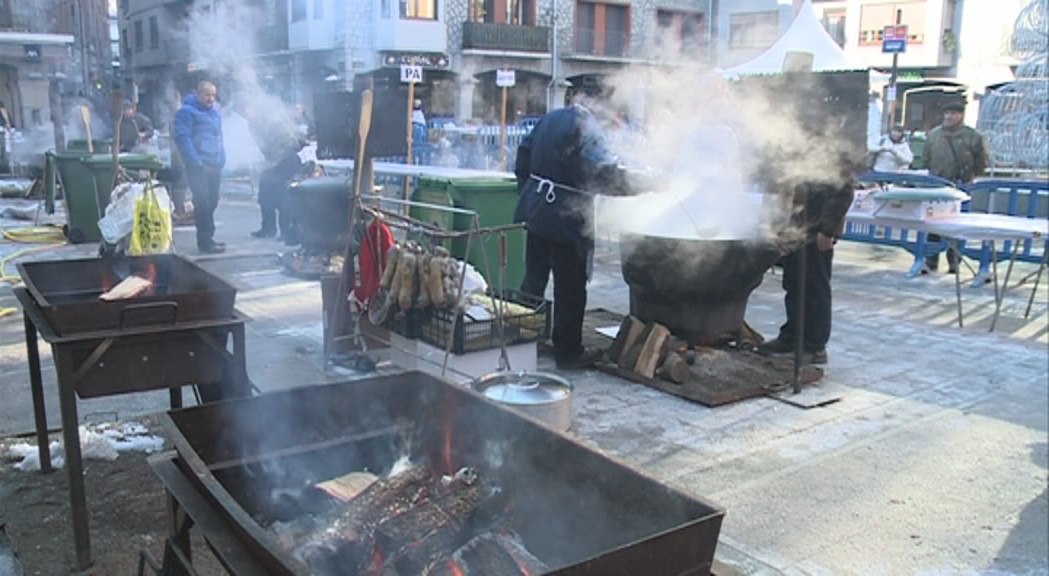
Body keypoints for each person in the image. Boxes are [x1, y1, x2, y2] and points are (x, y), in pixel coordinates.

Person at [514, 91, 637, 369]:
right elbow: (603, 174)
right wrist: (643, 186)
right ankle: (568, 352)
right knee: (570, 288)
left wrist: (528, 195)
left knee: (533, 280)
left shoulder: (550, 118)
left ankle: (520, 338)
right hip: (566, 221)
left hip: (537, 212)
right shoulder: (588, 127)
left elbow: (522, 156)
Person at [757, 177, 855, 365]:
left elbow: (844, 191)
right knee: (793, 284)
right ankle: (791, 336)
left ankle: (814, 346)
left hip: (818, 229)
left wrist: (827, 231)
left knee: (815, 288)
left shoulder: (835, 151)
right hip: (795, 227)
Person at [922, 101, 989, 273]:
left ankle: (954, 261)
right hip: (936, 186)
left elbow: (982, 161)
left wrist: (970, 177)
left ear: (961, 115)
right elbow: (926, 158)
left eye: (953, 113)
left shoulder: (973, 136)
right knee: (933, 225)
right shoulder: (934, 135)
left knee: (957, 226)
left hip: (961, 187)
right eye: (947, 113)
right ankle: (931, 259)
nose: (949, 117)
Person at [174, 81, 226, 254]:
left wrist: (222, 157)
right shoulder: (186, 112)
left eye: (213, 95)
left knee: (213, 200)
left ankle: (208, 236)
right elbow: (183, 138)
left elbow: (219, 138)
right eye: (207, 95)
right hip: (198, 165)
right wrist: (194, 161)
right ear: (198, 94)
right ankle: (205, 240)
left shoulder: (215, 114)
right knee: (202, 202)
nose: (211, 98)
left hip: (214, 163)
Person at [247, 105, 307, 241]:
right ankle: (268, 228)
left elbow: (294, 142)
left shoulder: (273, 122)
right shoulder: (254, 125)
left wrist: (276, 158)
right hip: (271, 162)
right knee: (265, 197)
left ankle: (286, 231)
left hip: (286, 161)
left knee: (284, 198)